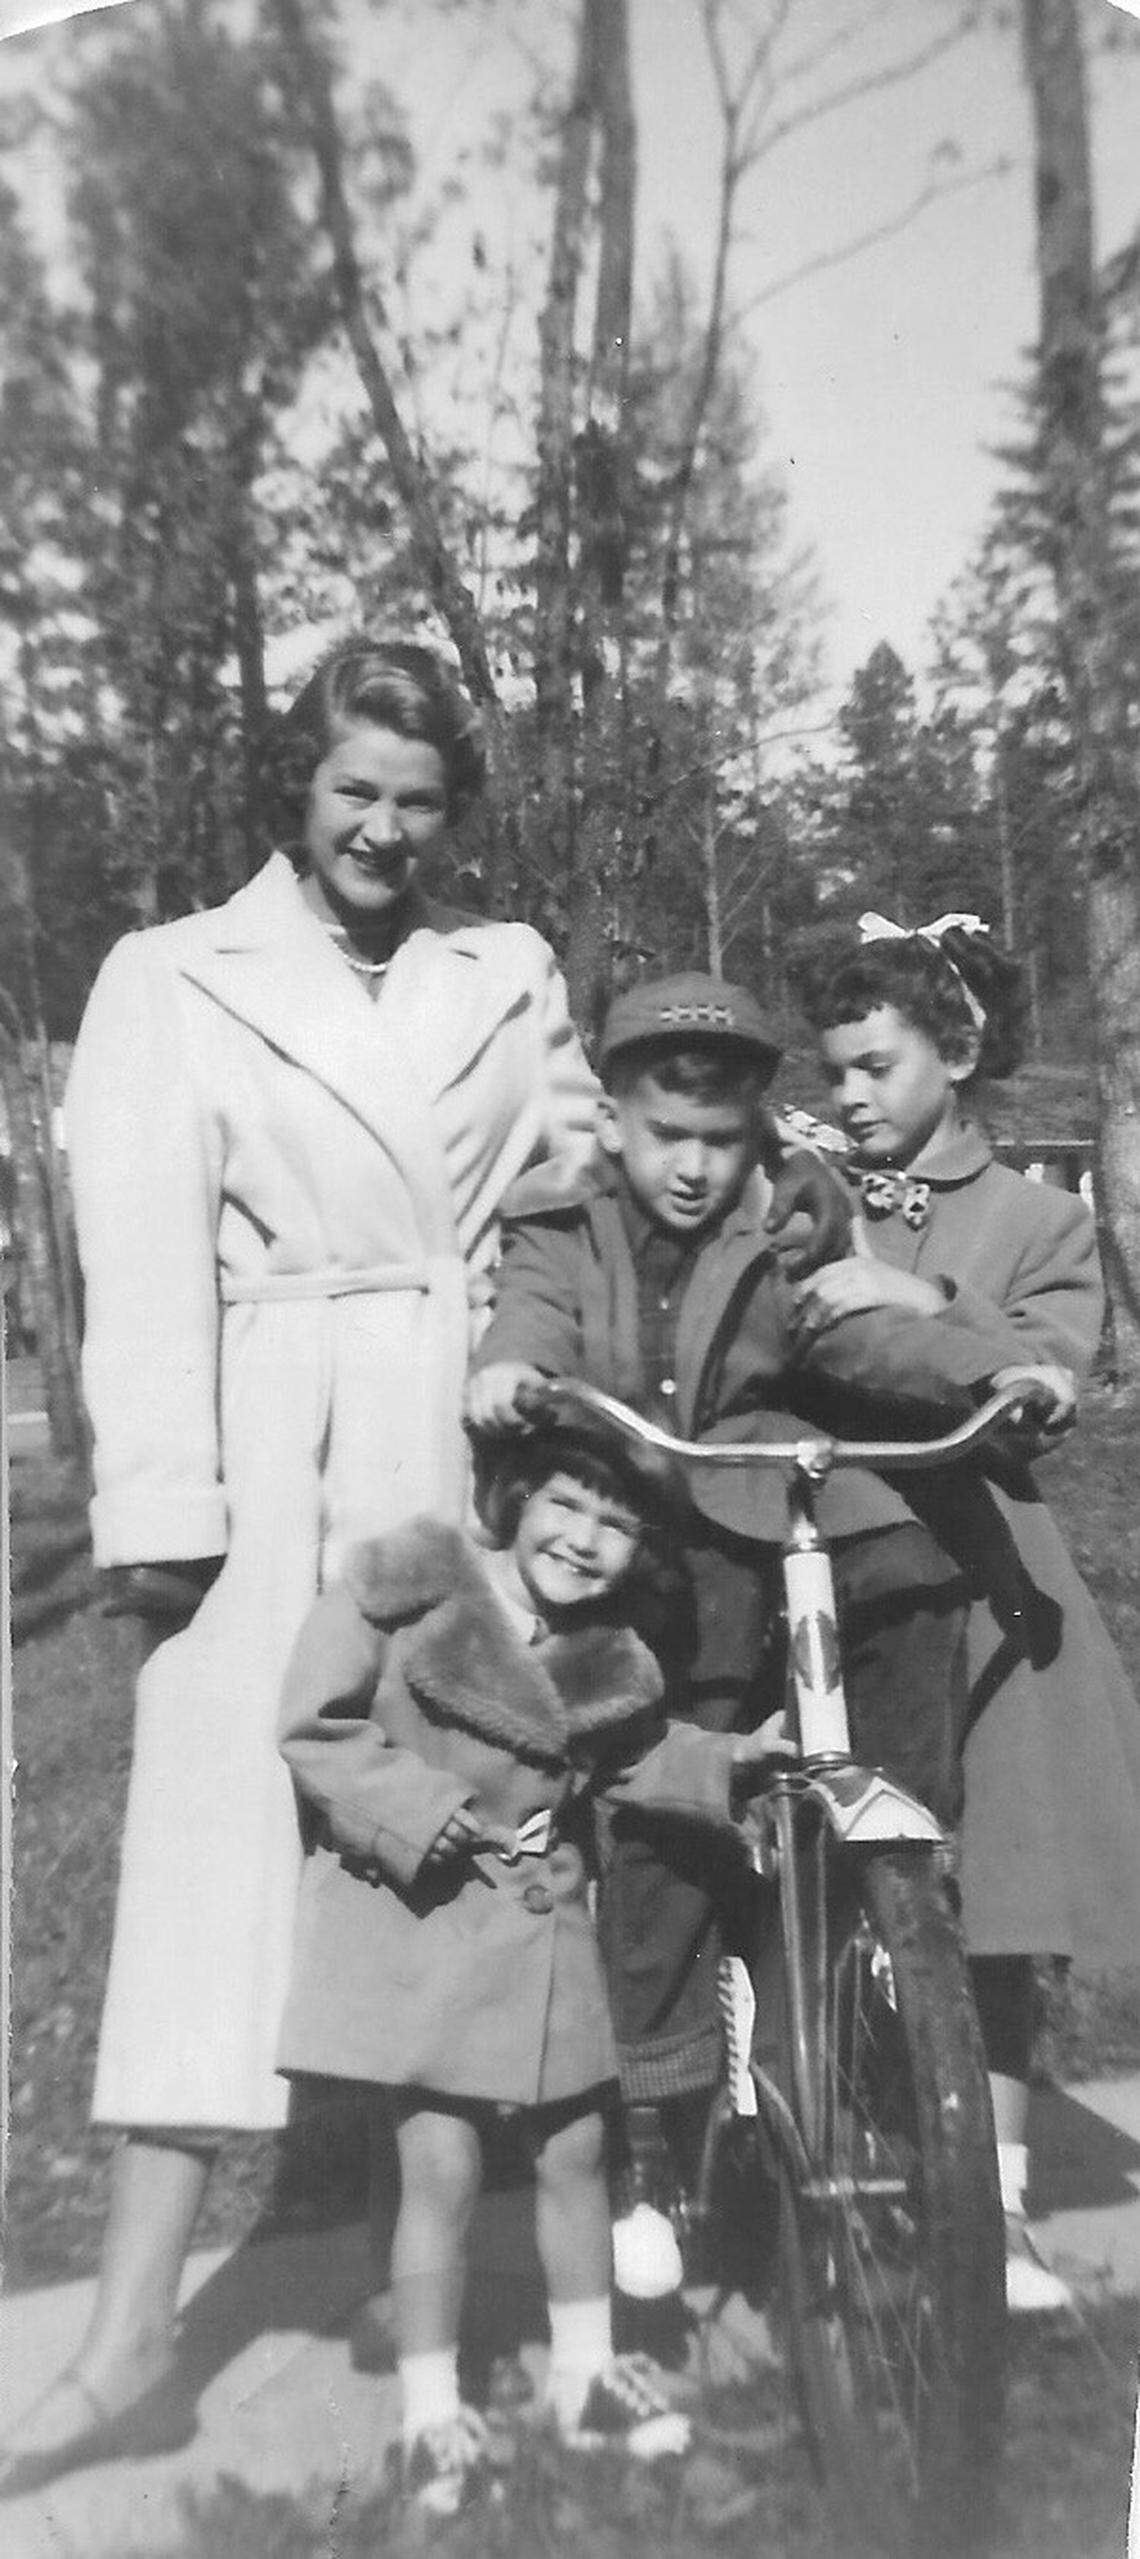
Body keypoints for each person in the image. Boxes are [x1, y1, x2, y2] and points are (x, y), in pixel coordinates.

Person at [0, 637, 605, 2495]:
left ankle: (379, 2272)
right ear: (300, 788)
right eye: (356, 790)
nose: (385, 829)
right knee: (211, 1868)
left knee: (442, 1839)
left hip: (456, 1431)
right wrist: (167, 1513)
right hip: (268, 1447)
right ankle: (124, 2342)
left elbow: (573, 1182)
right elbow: (144, 1256)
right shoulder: (172, 976)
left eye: (421, 804)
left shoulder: (503, 975)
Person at [465, 970, 1053, 2272]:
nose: (691, 1165)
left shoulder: (790, 1213)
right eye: (665, 1134)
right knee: (661, 1806)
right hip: (647, 1527)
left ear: (754, 1134)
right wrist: (513, 1368)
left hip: (769, 1497)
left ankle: (893, 1932)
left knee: (909, 1570)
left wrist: (989, 1366)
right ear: (613, 1117)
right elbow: (533, 1311)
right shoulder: (564, 1218)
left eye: (720, 1139)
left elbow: (858, 1340)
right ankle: (659, 2124)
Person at [276, 1421, 777, 2516]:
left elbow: (644, 1757)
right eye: (566, 1502)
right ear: (516, 1495)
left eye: (617, 1524)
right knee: (441, 2167)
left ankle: (585, 2378)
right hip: (421, 1917)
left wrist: (734, 1765)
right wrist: (416, 1807)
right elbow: (314, 1726)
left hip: (543, 1926)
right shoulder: (406, 1589)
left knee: (577, 2152)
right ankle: (428, 2413)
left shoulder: (609, 1655)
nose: (585, 1539)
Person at [791, 910, 1140, 2313]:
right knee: (824, 1873)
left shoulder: (1042, 1218)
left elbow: (1049, 1378)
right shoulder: (812, 1190)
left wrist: (918, 1288)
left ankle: (988, 2210)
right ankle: (802, 2154)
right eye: (838, 1070)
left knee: (992, 1909)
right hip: (832, 1565)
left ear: (959, 1049)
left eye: (876, 1064)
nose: (852, 1094)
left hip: (994, 1578)